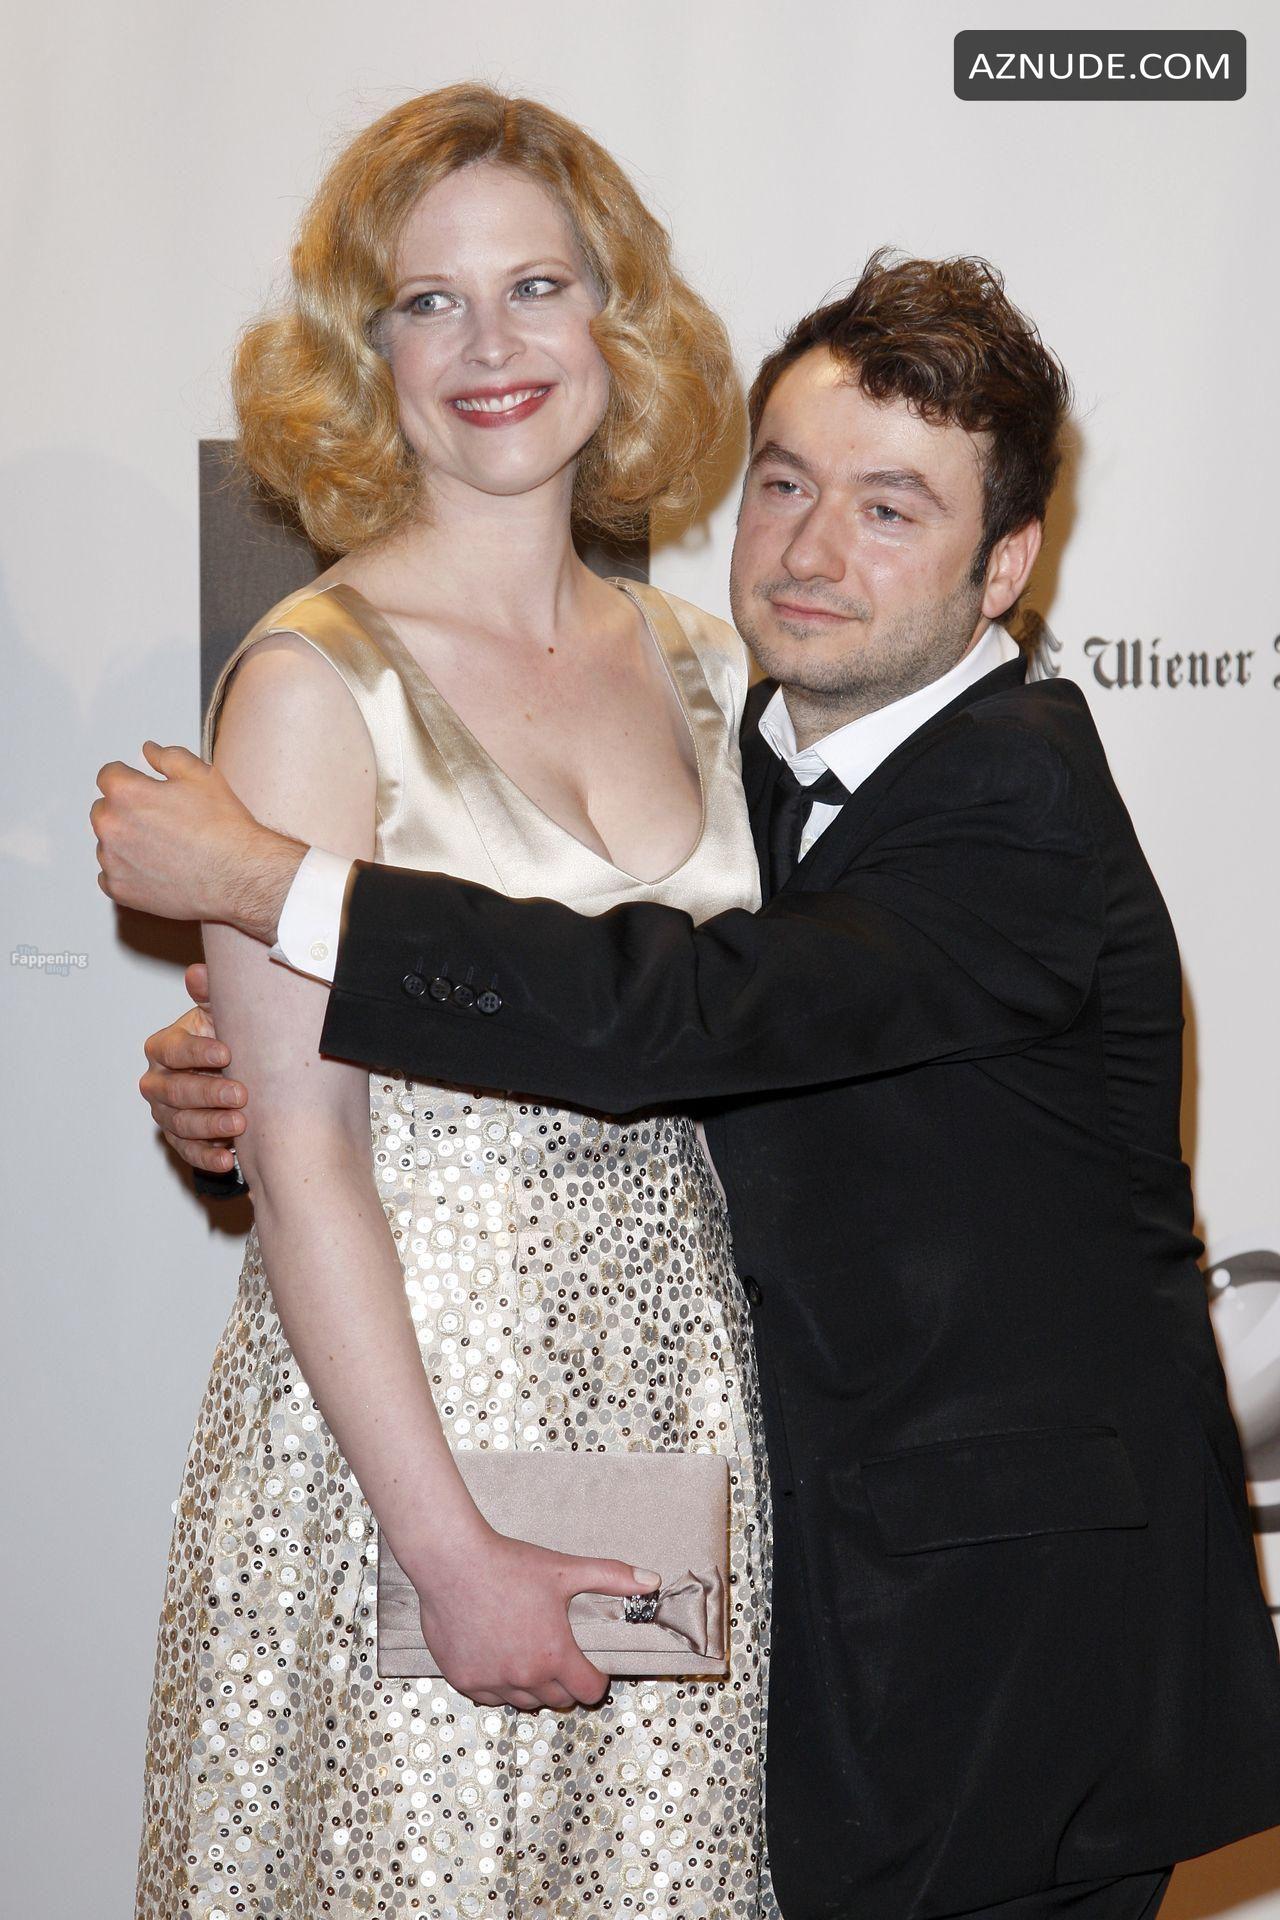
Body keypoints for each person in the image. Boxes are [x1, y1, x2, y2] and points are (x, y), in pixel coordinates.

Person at [95, 253, 1280, 1920]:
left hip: (1002, 1662)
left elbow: (685, 1015)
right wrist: (257, 1082)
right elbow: (603, 1045)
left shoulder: (1016, 800)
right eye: (786, 484)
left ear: (1006, 566)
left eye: (891, 509)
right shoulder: (746, 748)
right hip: (787, 1597)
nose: (810, 549)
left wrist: (275, 887)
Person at [100, 83, 780, 1920]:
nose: (492, 347)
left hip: (680, 1397)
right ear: (368, 354)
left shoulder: (714, 668)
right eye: (429, 302)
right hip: (408, 1419)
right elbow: (304, 1157)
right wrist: (448, 1546)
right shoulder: (313, 682)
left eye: (537, 287)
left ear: (616, 321)